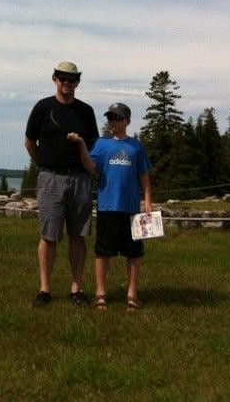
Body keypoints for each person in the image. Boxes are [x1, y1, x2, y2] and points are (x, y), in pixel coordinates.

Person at [24, 61, 99, 307]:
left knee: (79, 235)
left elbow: (94, 146)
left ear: (77, 82)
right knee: (49, 236)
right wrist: (44, 165)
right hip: (50, 178)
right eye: (62, 78)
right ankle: (45, 290)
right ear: (54, 79)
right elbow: (29, 142)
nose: (66, 83)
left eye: (71, 79)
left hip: (80, 179)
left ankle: (76, 289)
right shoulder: (43, 107)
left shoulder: (86, 112)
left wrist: (79, 146)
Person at [68, 102, 152, 312]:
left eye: (117, 117)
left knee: (134, 253)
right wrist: (81, 145)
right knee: (103, 252)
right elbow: (91, 167)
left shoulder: (136, 146)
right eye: (110, 118)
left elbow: (144, 176)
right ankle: (100, 294)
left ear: (127, 121)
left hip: (132, 208)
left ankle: (132, 294)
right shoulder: (102, 145)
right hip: (107, 207)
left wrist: (148, 201)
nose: (113, 121)